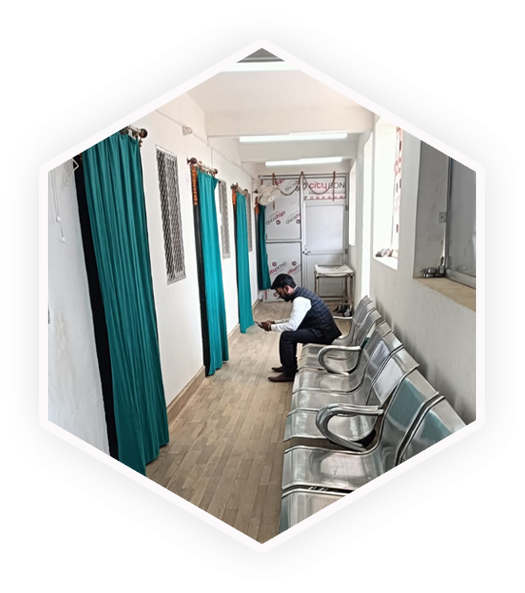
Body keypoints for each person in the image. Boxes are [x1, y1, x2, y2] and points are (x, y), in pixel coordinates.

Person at [259, 274, 342, 382]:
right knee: (290, 334)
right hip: (324, 331)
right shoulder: (302, 293)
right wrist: (274, 322)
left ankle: (289, 373)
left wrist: (270, 327)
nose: (280, 296)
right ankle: (288, 365)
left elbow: (292, 326)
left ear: (287, 288)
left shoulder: (299, 300)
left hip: (324, 335)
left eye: (280, 293)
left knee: (287, 336)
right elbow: (294, 320)